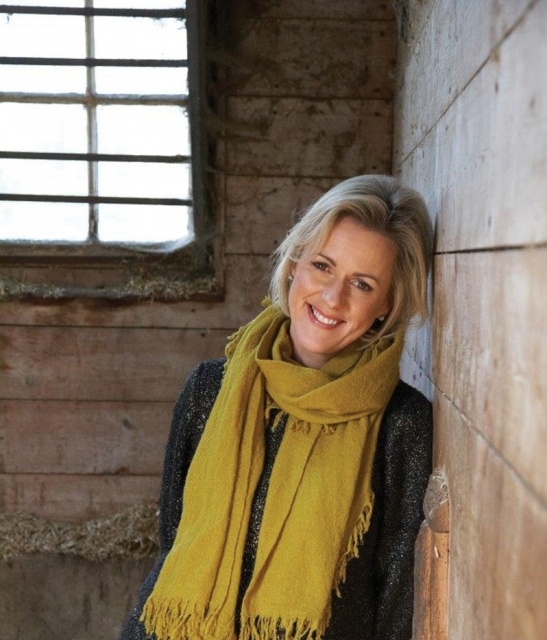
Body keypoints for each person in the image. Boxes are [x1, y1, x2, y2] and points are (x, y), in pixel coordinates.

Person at [119, 174, 434, 640]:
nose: (333, 298)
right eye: (323, 266)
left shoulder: (402, 422)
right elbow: (174, 538)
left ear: (387, 304)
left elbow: (396, 601)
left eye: (362, 284)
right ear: (294, 264)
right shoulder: (208, 388)